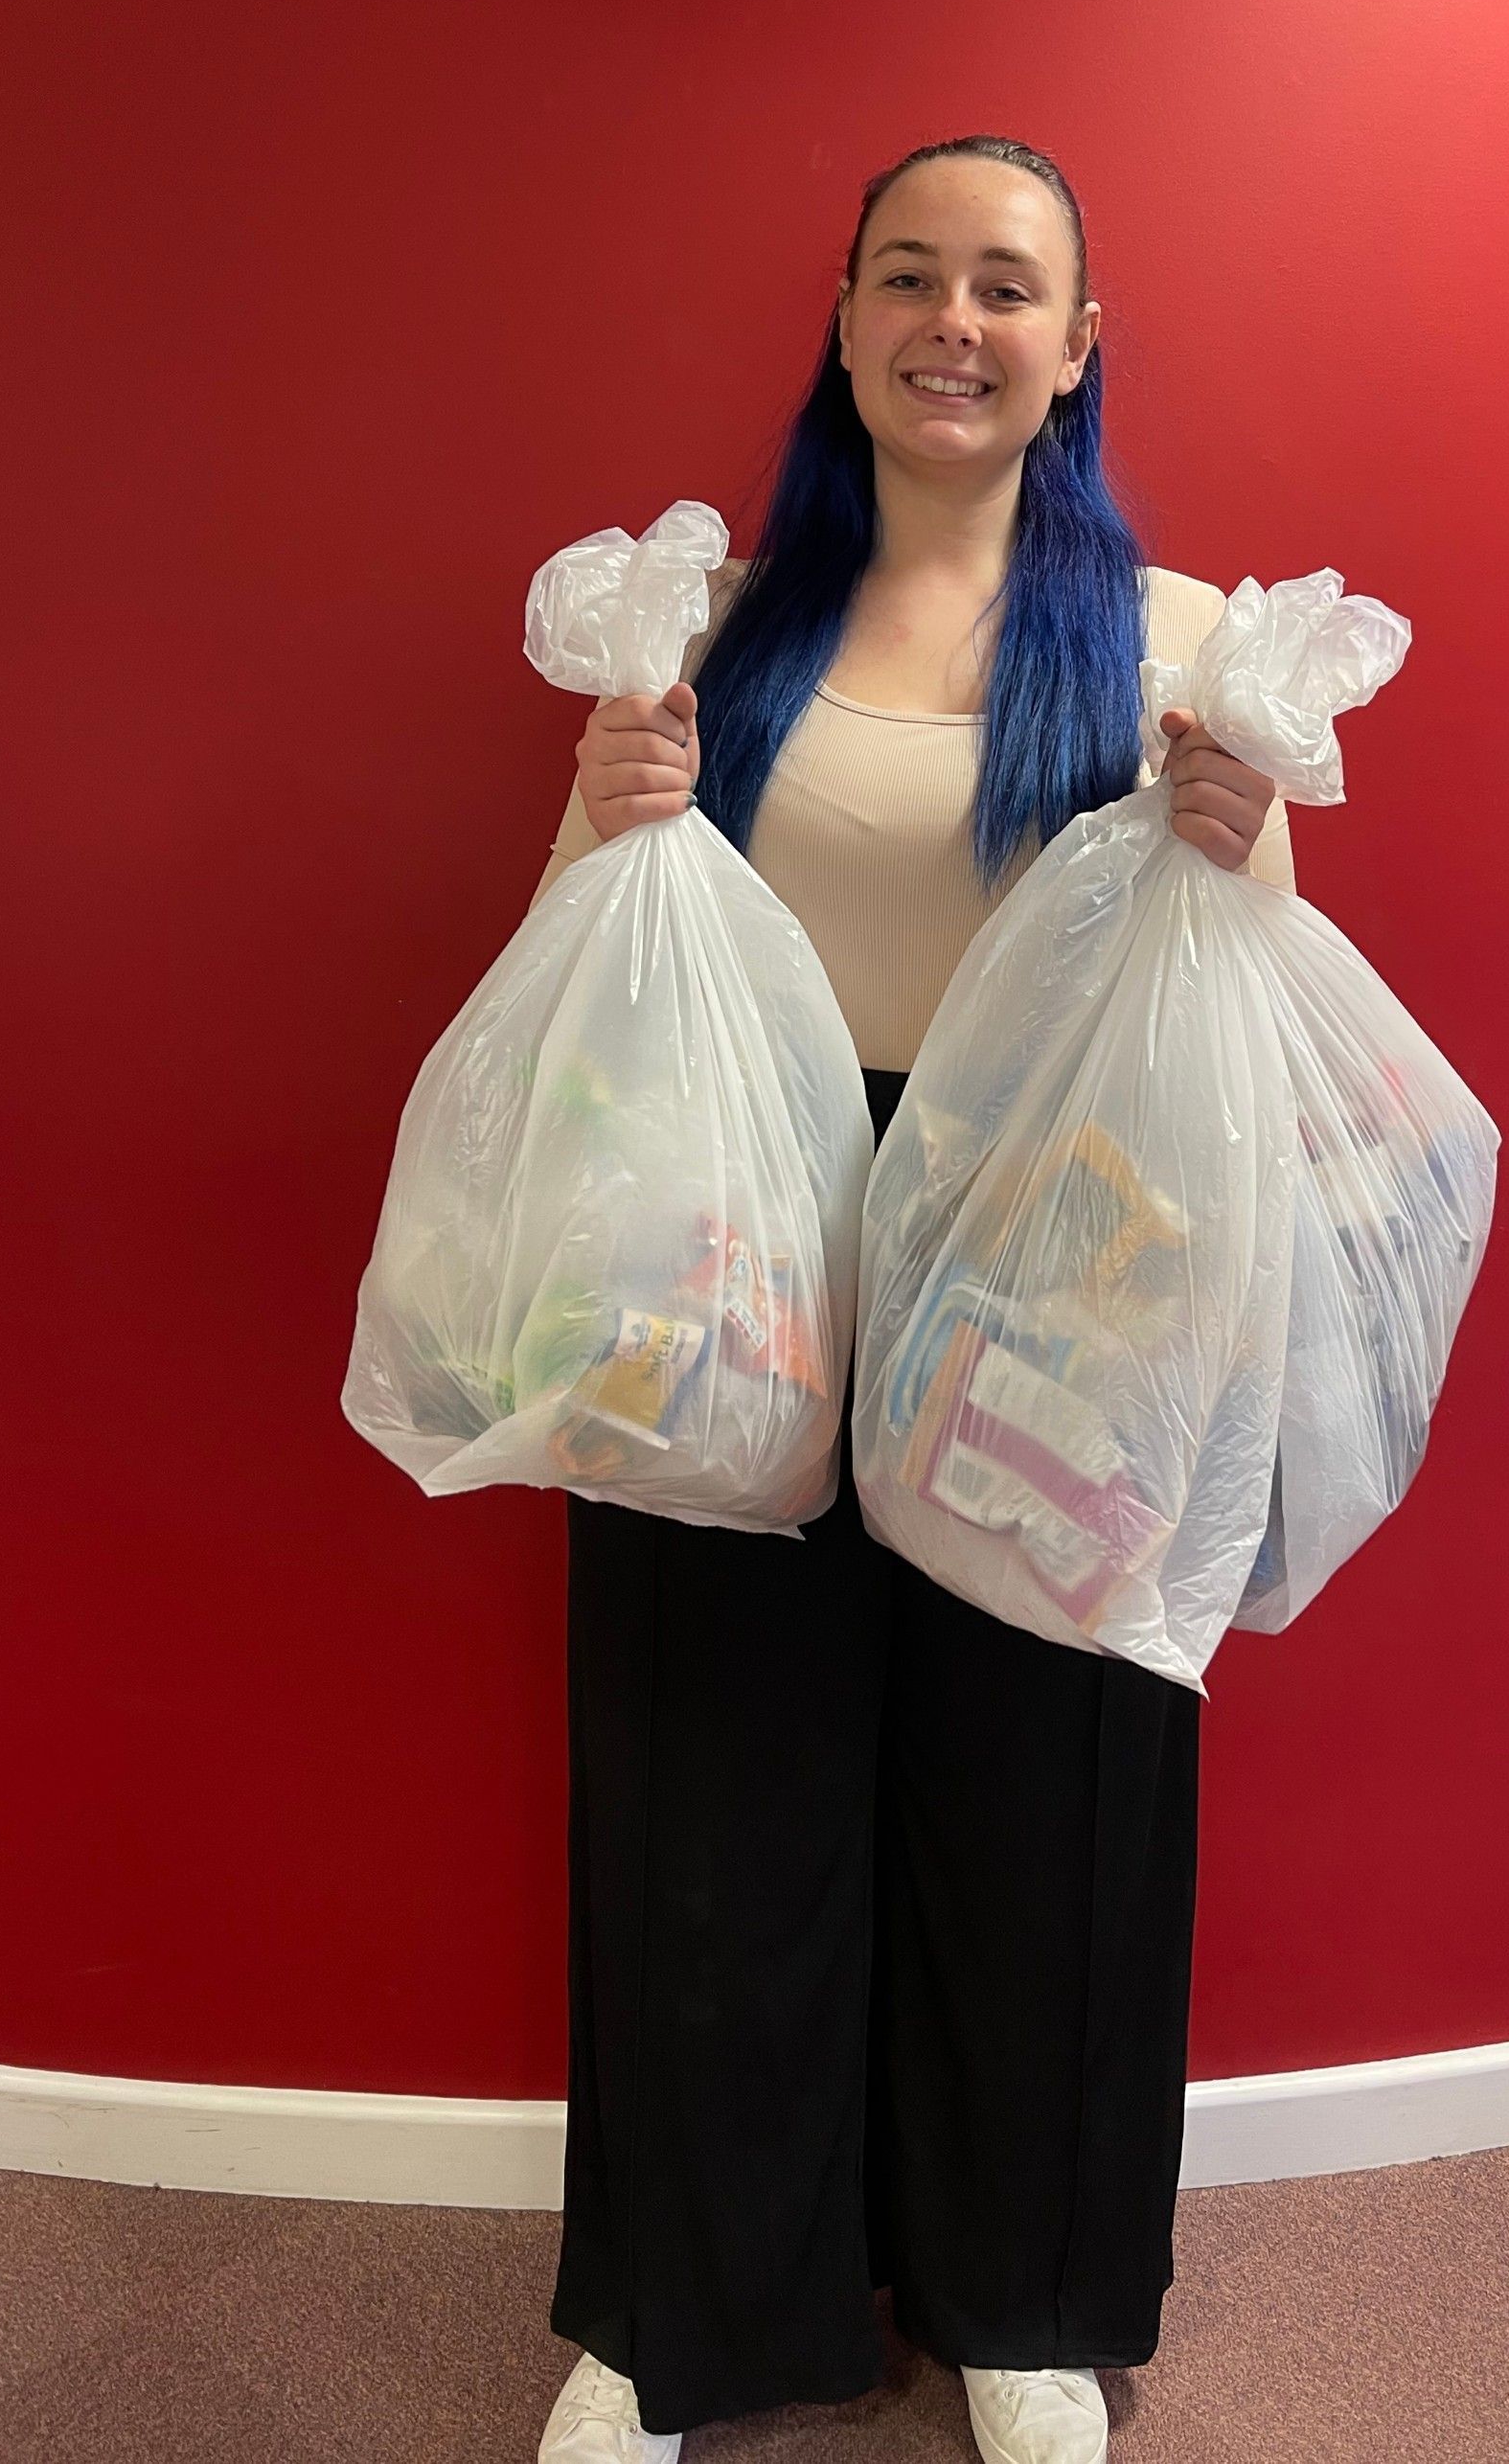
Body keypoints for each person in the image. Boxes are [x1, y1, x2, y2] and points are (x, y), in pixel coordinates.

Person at [527, 134, 1292, 2464]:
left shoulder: (1177, 642)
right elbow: (589, 956)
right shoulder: (719, 619)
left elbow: (1239, 1000)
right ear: (847, 320)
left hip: (1066, 1236)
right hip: (744, 1237)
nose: (954, 323)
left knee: (1052, 1781)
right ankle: (678, 2315)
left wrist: (1249, 849)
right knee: (707, 1779)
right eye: (909, 278)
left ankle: (1022, 2294)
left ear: (1079, 349)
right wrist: (602, 799)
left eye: (1007, 287)